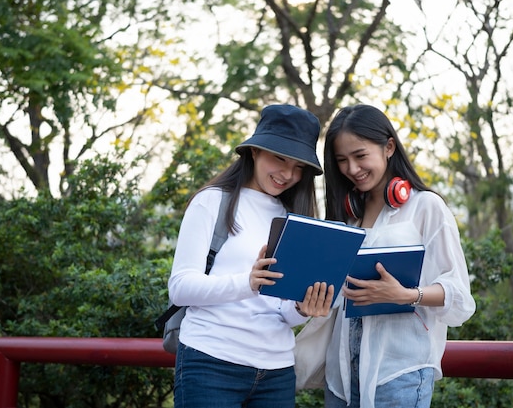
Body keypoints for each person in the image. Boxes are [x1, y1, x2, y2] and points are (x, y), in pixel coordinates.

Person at [168, 104, 335, 408]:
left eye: (298, 167)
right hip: (210, 362)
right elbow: (180, 288)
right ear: (255, 151)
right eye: (279, 158)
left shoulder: (293, 219)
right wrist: (249, 282)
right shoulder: (212, 202)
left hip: (277, 370)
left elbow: (282, 312)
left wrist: (303, 307)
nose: (287, 174)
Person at [322, 104, 476, 408]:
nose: (352, 169)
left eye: (360, 155)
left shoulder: (426, 207)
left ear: (389, 146)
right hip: (340, 376)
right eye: (342, 160)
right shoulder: (349, 216)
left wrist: (406, 295)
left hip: (398, 375)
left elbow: (459, 296)